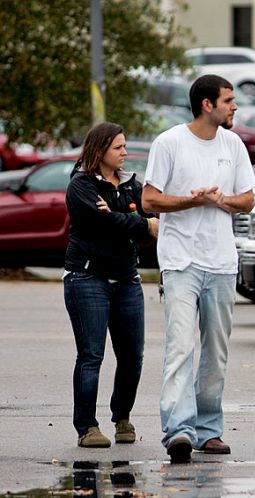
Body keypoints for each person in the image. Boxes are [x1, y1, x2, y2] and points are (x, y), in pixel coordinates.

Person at [142, 74, 255, 463]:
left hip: (222, 262)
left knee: (216, 351)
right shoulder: (170, 142)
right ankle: (178, 431)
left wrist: (220, 199)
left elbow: (248, 199)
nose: (234, 107)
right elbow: (149, 200)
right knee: (179, 347)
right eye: (228, 100)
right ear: (207, 105)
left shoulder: (234, 144)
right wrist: (192, 202)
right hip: (179, 262)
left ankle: (209, 430)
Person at [63, 122, 159, 448]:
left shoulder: (132, 186)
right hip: (88, 278)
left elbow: (143, 232)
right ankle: (87, 427)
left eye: (124, 146)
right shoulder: (81, 185)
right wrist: (137, 223)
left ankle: (122, 417)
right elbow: (100, 224)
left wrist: (123, 218)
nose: (124, 152)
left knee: (133, 356)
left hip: (127, 279)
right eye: (118, 147)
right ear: (100, 149)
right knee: (91, 355)